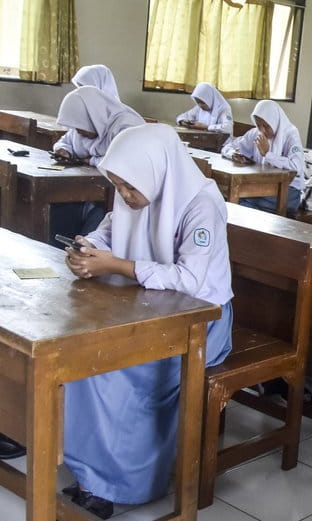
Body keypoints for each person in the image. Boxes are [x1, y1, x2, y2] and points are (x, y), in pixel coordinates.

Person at [61, 123, 233, 519]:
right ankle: (94, 475)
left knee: (113, 368)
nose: (124, 196)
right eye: (118, 186)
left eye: (129, 188)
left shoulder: (200, 204)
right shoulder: (136, 192)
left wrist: (119, 266)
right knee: (84, 355)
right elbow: (106, 232)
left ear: (155, 171)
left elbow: (192, 281)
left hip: (202, 324)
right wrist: (87, 250)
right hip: (150, 310)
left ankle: (126, 484)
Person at [50, 86, 146, 240]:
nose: (78, 131)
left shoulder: (125, 126)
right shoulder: (82, 128)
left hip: (119, 197)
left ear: (93, 117)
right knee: (58, 208)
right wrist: (63, 150)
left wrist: (91, 160)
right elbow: (66, 140)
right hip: (87, 190)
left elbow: (126, 164)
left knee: (93, 222)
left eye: (80, 127)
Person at [221, 100, 305, 214]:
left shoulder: (291, 135)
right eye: (258, 125)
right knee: (234, 196)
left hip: (288, 191)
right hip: (262, 186)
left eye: (266, 125)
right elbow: (228, 147)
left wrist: (268, 154)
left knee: (239, 197)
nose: (262, 130)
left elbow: (297, 167)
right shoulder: (256, 134)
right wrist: (232, 154)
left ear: (274, 121)